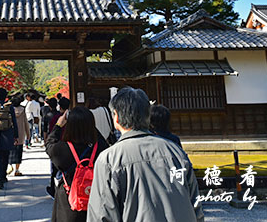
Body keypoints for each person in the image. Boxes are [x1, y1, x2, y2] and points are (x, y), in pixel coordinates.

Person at [87, 88, 203, 222]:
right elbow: (195, 205)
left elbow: (102, 215)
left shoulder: (109, 159)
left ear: (116, 117)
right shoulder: (175, 151)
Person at [46, 106, 108, 221]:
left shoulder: (62, 149)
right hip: (95, 199)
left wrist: (58, 126)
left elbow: (49, 144)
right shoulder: (100, 147)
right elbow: (101, 139)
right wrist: (89, 125)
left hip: (68, 202)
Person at [0, 87, 19, 189]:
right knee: (5, 156)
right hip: (7, 134)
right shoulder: (9, 107)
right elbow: (14, 122)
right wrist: (16, 135)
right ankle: (4, 176)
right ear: (6, 96)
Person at [9, 95, 31, 176]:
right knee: (18, 152)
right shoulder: (22, 110)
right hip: (20, 134)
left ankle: (9, 166)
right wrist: (28, 134)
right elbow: (26, 123)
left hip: (10, 133)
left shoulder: (9, 110)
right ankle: (17, 170)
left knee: (10, 151)